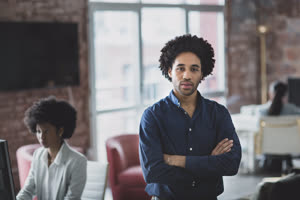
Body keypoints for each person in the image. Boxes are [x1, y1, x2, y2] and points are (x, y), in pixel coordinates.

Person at [139, 34, 241, 200]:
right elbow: (152, 172)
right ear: (170, 71)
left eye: (194, 69)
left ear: (202, 74)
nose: (187, 75)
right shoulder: (152, 116)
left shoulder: (218, 113)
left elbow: (232, 164)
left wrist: (176, 160)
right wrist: (208, 163)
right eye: (180, 68)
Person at [17, 96, 87, 200]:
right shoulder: (38, 155)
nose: (41, 137)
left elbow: (71, 198)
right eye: (38, 131)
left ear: (60, 131)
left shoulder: (78, 161)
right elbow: (27, 190)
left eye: (46, 131)